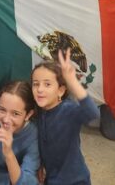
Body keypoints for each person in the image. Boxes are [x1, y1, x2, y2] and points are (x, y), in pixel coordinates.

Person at [32, 52, 100, 185]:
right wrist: (39, 165)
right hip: (51, 178)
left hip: (75, 181)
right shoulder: (39, 111)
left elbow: (93, 115)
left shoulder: (68, 109)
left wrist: (72, 82)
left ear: (61, 91)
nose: (39, 89)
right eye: (35, 84)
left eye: (47, 84)